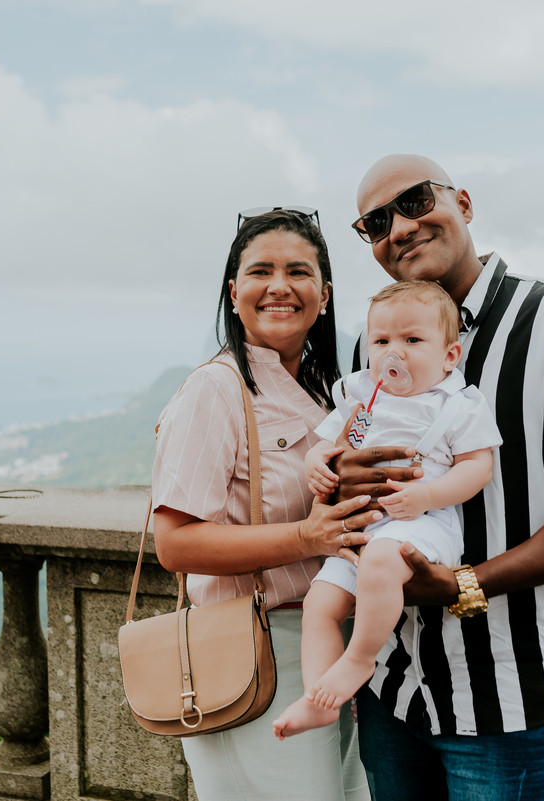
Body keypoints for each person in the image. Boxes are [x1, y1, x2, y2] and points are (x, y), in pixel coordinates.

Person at [332, 155, 544, 801]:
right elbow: (348, 466)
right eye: (375, 222)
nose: (398, 227)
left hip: (508, 700)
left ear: (462, 201)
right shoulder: (373, 346)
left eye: (413, 201)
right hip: (390, 689)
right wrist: (342, 475)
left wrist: (463, 585)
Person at [151, 209, 374, 801]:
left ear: (324, 295)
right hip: (253, 652)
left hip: (330, 645)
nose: (280, 286)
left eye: (299, 271)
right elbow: (175, 544)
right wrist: (310, 537)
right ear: (234, 291)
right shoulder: (216, 389)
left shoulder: (329, 390)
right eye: (261, 271)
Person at [272, 280, 502, 740]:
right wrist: (318, 463)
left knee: (380, 562)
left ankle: (357, 660)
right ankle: (318, 697)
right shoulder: (362, 396)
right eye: (381, 342)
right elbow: (329, 445)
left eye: (412, 341)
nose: (393, 353)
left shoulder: (456, 405)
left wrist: (427, 497)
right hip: (363, 529)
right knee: (321, 603)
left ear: (449, 356)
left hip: (423, 523)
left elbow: (478, 467)